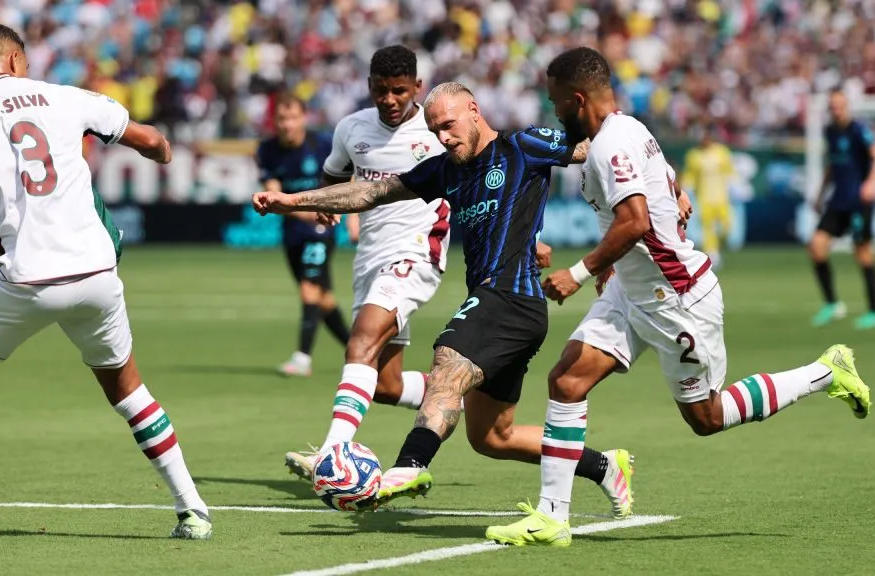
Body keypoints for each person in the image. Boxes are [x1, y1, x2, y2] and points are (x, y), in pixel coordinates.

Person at [484, 46, 871, 548]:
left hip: (676, 300)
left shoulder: (609, 146)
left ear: (578, 99)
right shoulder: (630, 129)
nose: (555, 112)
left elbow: (636, 220)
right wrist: (625, 256)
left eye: (558, 102)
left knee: (706, 418)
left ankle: (826, 371)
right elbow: (665, 194)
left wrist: (579, 273)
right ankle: (553, 518)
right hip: (633, 290)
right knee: (566, 381)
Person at [255, 81, 639, 520]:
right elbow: (370, 192)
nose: (444, 137)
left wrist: (664, 186)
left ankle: (409, 466)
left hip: (509, 295)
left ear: (474, 110)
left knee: (447, 357)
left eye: (449, 125)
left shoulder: (524, 144)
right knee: (491, 437)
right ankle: (606, 466)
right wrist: (294, 201)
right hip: (509, 306)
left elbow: (598, 147)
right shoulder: (445, 169)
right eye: (435, 129)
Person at [0, 24, 212, 541]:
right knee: (129, 389)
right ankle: (192, 508)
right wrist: (162, 153)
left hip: (30, 277)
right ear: (17, 60)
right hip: (98, 274)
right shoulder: (69, 97)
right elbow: (153, 141)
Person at [280, 45, 448, 480]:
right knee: (387, 386)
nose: (389, 100)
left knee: (361, 341)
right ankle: (452, 392)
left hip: (417, 251)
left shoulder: (438, 131)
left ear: (417, 88)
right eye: (379, 91)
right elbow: (335, 174)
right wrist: (325, 202)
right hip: (370, 259)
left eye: (398, 91)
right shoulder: (351, 128)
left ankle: (331, 454)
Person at [257, 93, 351, 376]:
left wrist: (352, 215)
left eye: (292, 118)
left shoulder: (322, 145)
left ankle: (302, 358)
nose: (287, 125)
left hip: (321, 230)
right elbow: (274, 196)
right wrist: (308, 210)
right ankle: (359, 354)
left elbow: (348, 180)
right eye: (281, 119)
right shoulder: (267, 150)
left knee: (309, 289)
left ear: (304, 118)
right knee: (324, 300)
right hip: (294, 231)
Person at [808, 87, 875, 330]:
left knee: (862, 251)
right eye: (833, 106)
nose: (836, 109)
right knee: (817, 245)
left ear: (847, 106)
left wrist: (872, 183)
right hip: (838, 200)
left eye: (840, 105)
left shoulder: (858, 130)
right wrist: (821, 194)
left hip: (858, 201)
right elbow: (832, 166)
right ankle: (833, 304)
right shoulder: (830, 131)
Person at [681, 126, 734, 267]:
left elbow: (730, 172)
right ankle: (713, 253)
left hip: (722, 197)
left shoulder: (722, 152)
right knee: (708, 228)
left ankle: (718, 246)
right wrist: (686, 188)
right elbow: (689, 176)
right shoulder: (693, 155)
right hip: (704, 198)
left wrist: (735, 185)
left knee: (726, 227)